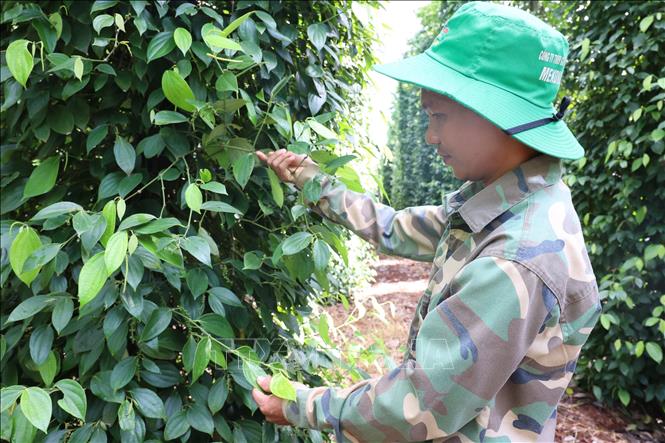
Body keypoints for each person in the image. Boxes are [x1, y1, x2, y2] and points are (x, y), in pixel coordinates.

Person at [253, 2, 601, 442]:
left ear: (497, 116)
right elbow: (394, 227)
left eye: (438, 117)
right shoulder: (503, 204)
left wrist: (301, 405)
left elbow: (420, 405)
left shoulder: (515, 258)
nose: (429, 137)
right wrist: (311, 179)